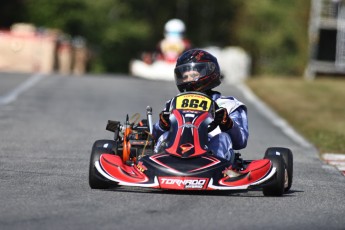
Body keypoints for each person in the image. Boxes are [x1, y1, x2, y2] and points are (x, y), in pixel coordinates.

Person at [152, 49, 249, 161]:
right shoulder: (175, 103)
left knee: (224, 138)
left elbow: (240, 141)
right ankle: (159, 164)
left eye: (193, 75)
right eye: (185, 76)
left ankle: (215, 168)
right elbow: (153, 137)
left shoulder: (229, 105)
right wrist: (161, 126)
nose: (188, 80)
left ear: (208, 74)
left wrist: (227, 123)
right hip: (177, 152)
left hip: (211, 157)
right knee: (165, 135)